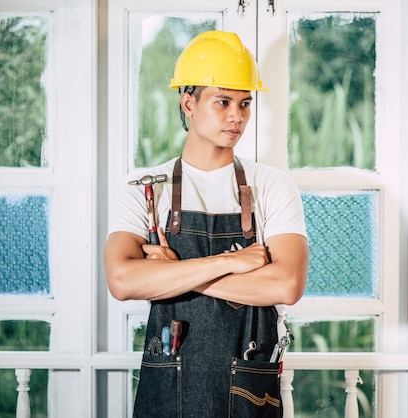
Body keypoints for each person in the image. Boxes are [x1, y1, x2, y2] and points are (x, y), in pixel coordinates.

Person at [104, 30, 309, 418]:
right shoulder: (146, 190)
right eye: (223, 102)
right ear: (188, 103)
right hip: (169, 387)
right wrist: (228, 262)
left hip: (249, 387)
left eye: (245, 103)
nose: (238, 116)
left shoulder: (272, 186)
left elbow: (286, 284)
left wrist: (174, 273)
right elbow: (123, 280)